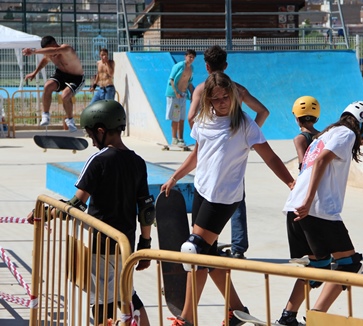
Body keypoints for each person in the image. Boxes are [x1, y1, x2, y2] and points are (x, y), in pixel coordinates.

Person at [161, 71, 294, 326]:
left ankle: (186, 319)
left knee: (194, 251)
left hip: (224, 198)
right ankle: (236, 310)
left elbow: (271, 157)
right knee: (208, 256)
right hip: (203, 190)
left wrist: (289, 181)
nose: (222, 102)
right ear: (208, 100)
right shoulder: (203, 121)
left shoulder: (244, 124)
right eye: (216, 98)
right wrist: (176, 176)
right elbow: (198, 155)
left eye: (226, 97)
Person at [29, 100, 154, 325]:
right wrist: (145, 245)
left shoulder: (98, 161)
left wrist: (46, 213)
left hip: (102, 244)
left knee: (102, 301)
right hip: (126, 242)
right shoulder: (138, 162)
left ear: (101, 130)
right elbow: (146, 208)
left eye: (90, 135)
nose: (91, 141)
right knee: (127, 294)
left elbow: (77, 204)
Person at [277, 101, 363, 326]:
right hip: (316, 210)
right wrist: (308, 200)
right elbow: (322, 161)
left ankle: (287, 317)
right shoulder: (347, 134)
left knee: (318, 267)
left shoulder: (327, 133)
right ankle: (316, 318)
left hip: (295, 207)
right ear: (362, 125)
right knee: (349, 264)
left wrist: (303, 200)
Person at [188, 45, 270, 259]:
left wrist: (207, 140)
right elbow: (263, 111)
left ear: (206, 66)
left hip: (212, 161)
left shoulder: (201, 89)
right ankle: (238, 247)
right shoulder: (238, 89)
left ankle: (208, 246)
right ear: (225, 65)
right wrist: (247, 139)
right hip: (234, 155)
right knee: (236, 199)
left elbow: (190, 117)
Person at [22, 35, 85, 132]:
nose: (50, 55)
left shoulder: (66, 49)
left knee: (65, 96)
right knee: (47, 86)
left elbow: (54, 51)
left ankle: (70, 120)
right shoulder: (49, 54)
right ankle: (45, 115)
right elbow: (44, 60)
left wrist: (33, 51)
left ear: (54, 45)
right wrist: (35, 72)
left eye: (49, 51)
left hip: (76, 77)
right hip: (61, 75)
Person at [165, 49, 197, 147]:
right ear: (185, 56)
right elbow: (171, 79)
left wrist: (193, 94)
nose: (191, 59)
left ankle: (181, 139)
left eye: (193, 57)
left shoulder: (191, 68)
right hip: (174, 95)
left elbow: (189, 83)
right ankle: (174, 138)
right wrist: (176, 92)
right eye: (190, 57)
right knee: (175, 117)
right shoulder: (179, 66)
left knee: (182, 118)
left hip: (183, 95)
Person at [291, 96, 321, 171]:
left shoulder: (299, 139)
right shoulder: (324, 135)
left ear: (297, 119)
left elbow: (303, 165)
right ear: (316, 118)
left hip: (310, 179)